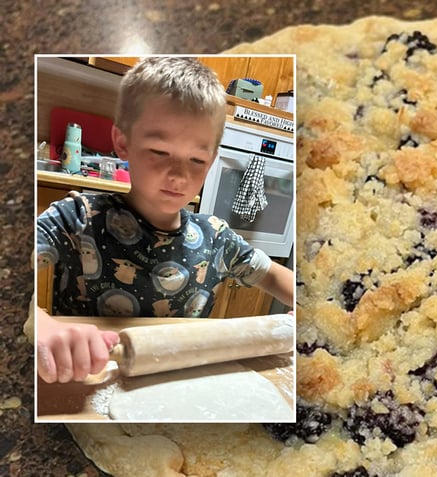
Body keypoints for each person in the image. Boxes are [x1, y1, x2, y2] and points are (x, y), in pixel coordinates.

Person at [35, 57, 294, 384]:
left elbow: (271, 275)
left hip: (176, 389)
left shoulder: (216, 239)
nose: (179, 175)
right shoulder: (77, 219)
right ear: (123, 143)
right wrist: (42, 324)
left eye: (197, 160)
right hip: (84, 384)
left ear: (212, 161)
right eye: (160, 151)